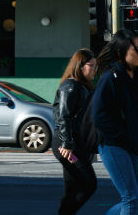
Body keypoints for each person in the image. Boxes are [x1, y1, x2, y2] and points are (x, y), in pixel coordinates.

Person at [92, 29, 138, 215]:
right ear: (120, 53)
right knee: (131, 198)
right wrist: (123, 137)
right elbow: (99, 115)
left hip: (129, 146)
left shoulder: (136, 77)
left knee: (135, 199)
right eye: (136, 49)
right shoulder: (111, 77)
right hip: (113, 145)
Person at [53, 48, 98, 215]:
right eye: (91, 66)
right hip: (66, 145)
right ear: (80, 66)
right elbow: (65, 116)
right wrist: (67, 143)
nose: (94, 70)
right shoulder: (70, 86)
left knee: (72, 188)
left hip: (74, 142)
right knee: (89, 183)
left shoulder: (82, 86)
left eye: (96, 66)